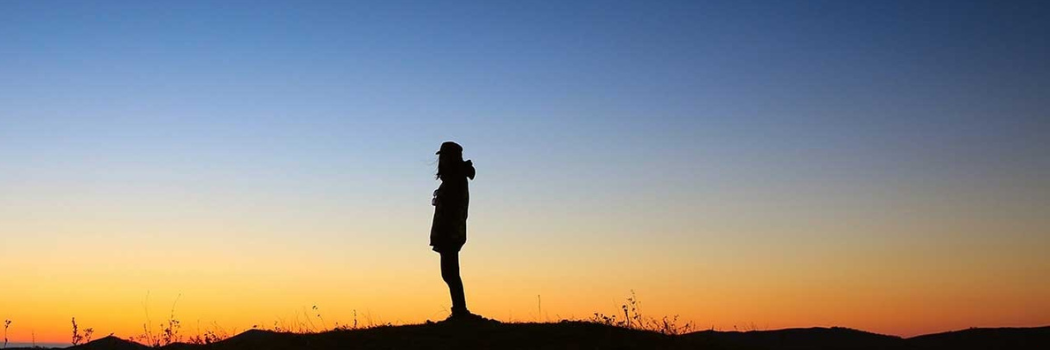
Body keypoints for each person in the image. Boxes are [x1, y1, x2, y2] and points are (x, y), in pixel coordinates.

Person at [430, 141, 477, 319]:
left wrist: (446, 232)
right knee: (449, 273)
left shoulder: (455, 179)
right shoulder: (453, 179)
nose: (441, 160)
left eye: (443, 156)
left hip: (450, 233)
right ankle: (459, 310)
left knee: (450, 273)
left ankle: (460, 311)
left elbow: (453, 209)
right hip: (449, 232)